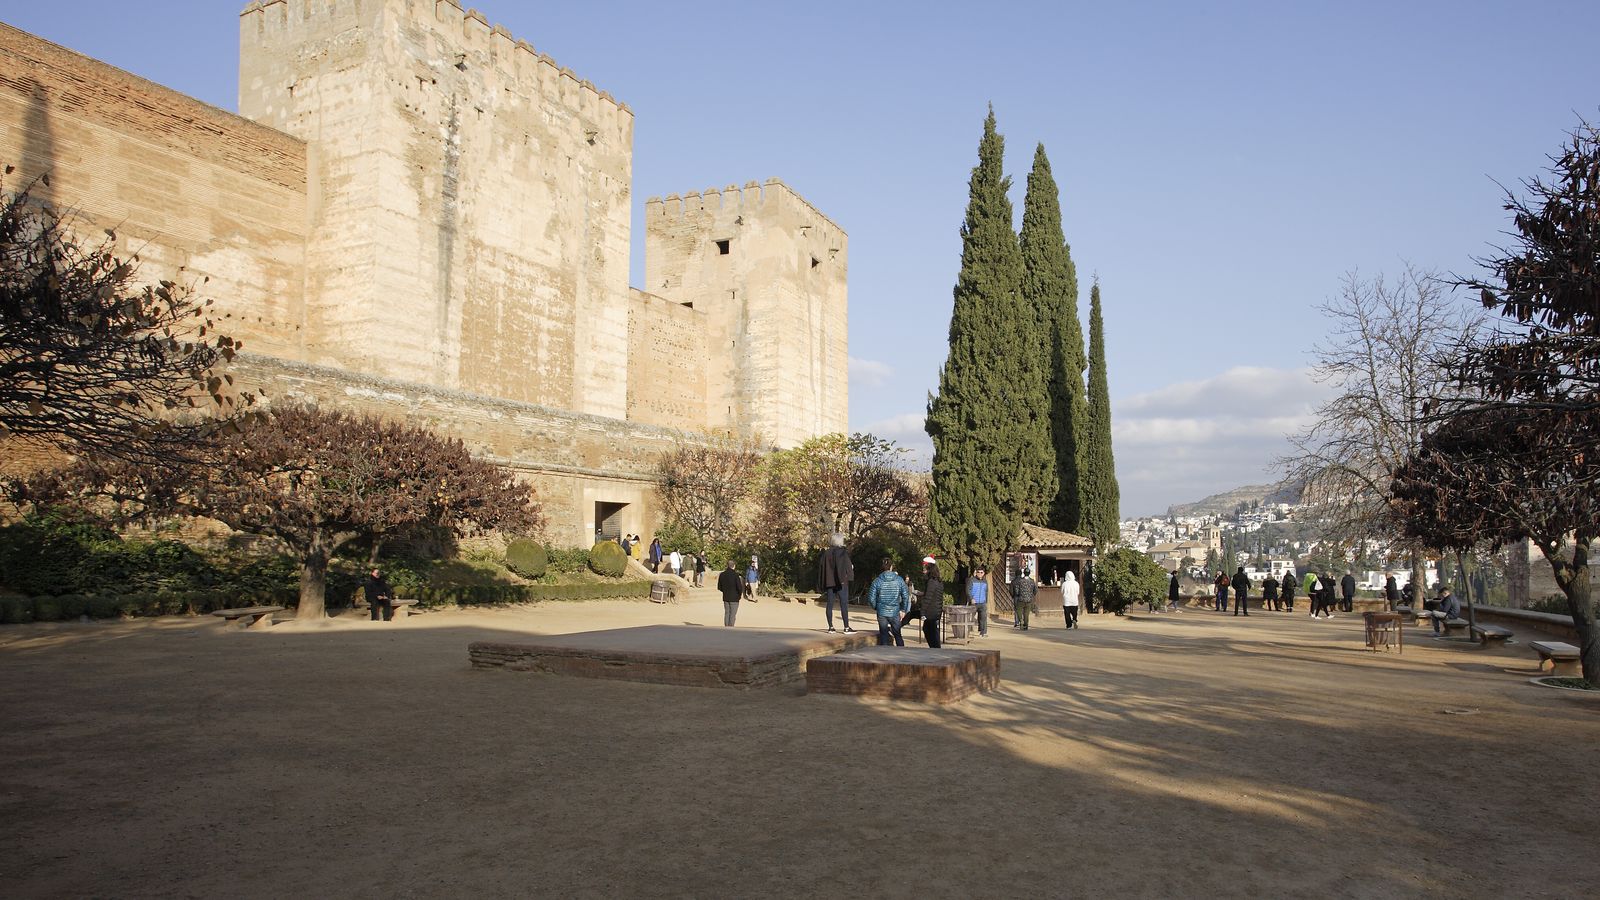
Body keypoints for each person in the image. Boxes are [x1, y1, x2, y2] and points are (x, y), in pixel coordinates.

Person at [867, 557, 909, 647]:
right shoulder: (899, 580)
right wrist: (903, 610)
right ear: (891, 567)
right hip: (895, 611)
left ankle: (884, 656)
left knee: (884, 635)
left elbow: (871, 598)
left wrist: (876, 607)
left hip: (882, 611)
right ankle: (902, 655)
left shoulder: (877, 581)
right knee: (898, 634)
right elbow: (905, 596)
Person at [818, 533, 855, 634]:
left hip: (830, 581)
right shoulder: (843, 553)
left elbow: (822, 567)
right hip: (842, 581)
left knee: (829, 604)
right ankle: (846, 627)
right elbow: (848, 566)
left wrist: (822, 582)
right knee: (843, 604)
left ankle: (830, 627)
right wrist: (850, 573)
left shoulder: (826, 553)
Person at [920, 557, 944, 648]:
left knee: (930, 630)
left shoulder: (932, 581)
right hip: (936, 610)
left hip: (931, 611)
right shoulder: (937, 580)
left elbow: (928, 598)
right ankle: (935, 648)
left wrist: (922, 612)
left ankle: (935, 649)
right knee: (932, 630)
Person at [716, 560, 743, 626]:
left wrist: (725, 591)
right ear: (734, 566)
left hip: (726, 596)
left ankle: (726, 627)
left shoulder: (722, 574)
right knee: (732, 614)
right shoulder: (736, 575)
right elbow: (739, 587)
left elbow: (719, 587)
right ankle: (731, 627)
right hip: (734, 597)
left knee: (727, 613)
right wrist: (739, 594)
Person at [1012, 566, 1038, 631]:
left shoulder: (1020, 581)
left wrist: (1019, 594)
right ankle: (1026, 625)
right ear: (1029, 573)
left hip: (1021, 599)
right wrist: (1032, 595)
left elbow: (1017, 591)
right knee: (1026, 613)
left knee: (1018, 610)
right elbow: (1035, 590)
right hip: (1029, 600)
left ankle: (1020, 620)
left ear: (1023, 573)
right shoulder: (1032, 581)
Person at [969, 567, 990, 637]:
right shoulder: (972, 580)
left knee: (983, 618)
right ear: (976, 573)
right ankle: (967, 631)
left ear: (983, 573)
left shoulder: (985, 581)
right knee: (970, 617)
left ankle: (983, 632)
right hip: (974, 602)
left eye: (981, 572)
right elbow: (968, 590)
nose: (980, 574)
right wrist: (971, 598)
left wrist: (986, 600)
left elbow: (986, 591)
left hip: (982, 602)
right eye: (978, 572)